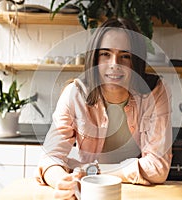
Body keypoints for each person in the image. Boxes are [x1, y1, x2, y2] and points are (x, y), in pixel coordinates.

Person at [36, 18, 172, 199]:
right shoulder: (74, 94)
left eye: (125, 56)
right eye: (105, 54)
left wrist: (92, 172)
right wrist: (63, 182)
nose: (114, 63)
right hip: (90, 191)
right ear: (94, 58)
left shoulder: (154, 92)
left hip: (136, 192)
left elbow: (157, 168)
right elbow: (50, 157)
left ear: (136, 61)